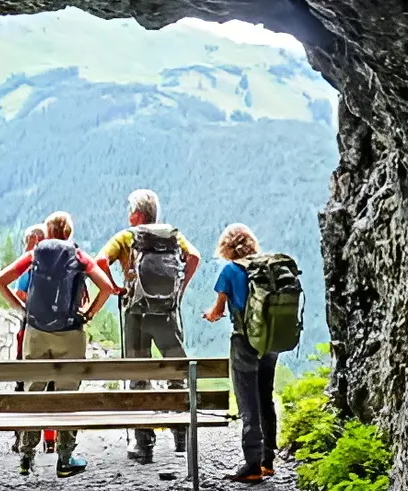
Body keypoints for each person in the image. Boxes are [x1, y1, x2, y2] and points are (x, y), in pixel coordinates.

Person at [0, 211, 114, 478]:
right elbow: (106, 287)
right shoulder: (79, 255)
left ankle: (26, 457)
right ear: (68, 233)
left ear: (47, 233)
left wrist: (21, 309)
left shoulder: (35, 254)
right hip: (71, 333)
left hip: (36, 332)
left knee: (33, 392)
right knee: (67, 395)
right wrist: (90, 313)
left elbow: (0, 280)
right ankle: (65, 458)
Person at [95, 189, 201, 463]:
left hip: (137, 315)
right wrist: (179, 290)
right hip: (166, 313)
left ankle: (144, 445)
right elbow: (194, 258)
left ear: (138, 215)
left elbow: (99, 262)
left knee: (139, 375)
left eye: (131, 210)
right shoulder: (173, 236)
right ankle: (180, 437)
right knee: (176, 371)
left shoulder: (125, 237)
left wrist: (116, 287)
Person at [203, 223, 276, 483]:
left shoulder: (230, 270)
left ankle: (252, 465)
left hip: (245, 342)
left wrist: (209, 316)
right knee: (265, 397)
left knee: (248, 403)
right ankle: (268, 460)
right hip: (270, 341)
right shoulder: (266, 267)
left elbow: (218, 310)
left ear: (226, 246)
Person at [10, 223, 57, 454]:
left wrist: (27, 308)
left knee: (26, 382)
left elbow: (19, 292)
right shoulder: (60, 264)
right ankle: (51, 439)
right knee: (52, 385)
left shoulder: (31, 263)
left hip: (31, 329)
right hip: (58, 331)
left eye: (27, 242)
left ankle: (23, 438)